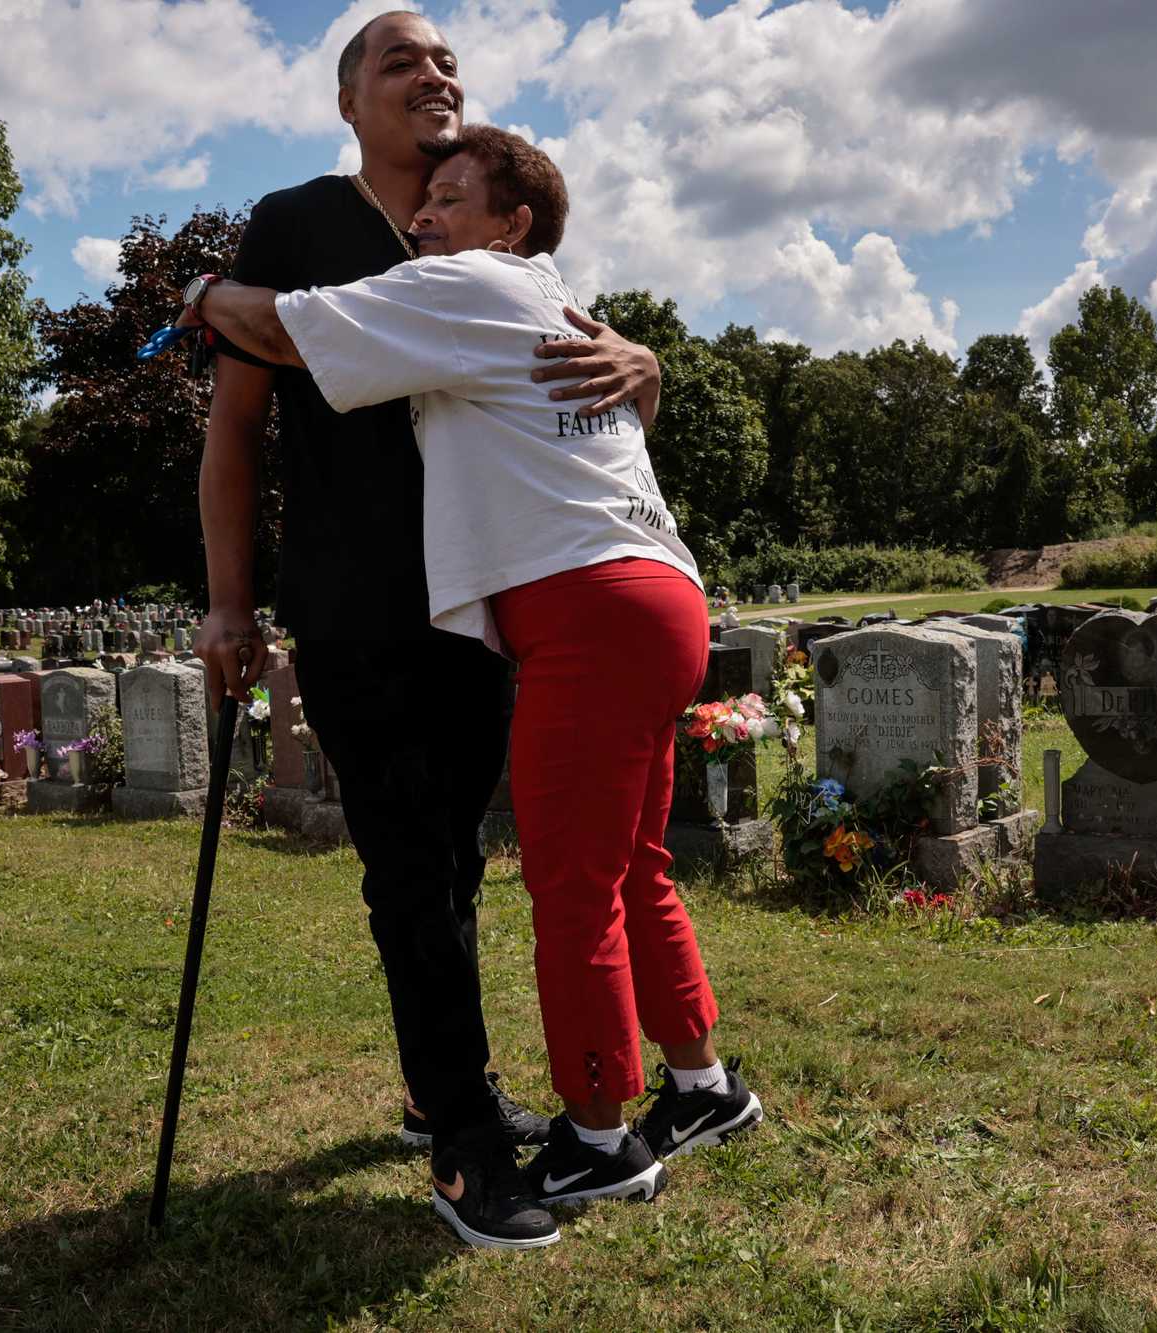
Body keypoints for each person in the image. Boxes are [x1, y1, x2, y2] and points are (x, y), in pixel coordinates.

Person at [178, 125, 763, 1252]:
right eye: (423, 201)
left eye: (450, 200)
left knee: (571, 885)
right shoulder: (551, 298)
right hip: (662, 594)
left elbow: (275, 329)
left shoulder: (461, 284)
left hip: (583, 611)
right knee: (634, 862)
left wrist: (201, 287)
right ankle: (699, 1081)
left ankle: (596, 1136)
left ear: (511, 224)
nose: (424, 220)